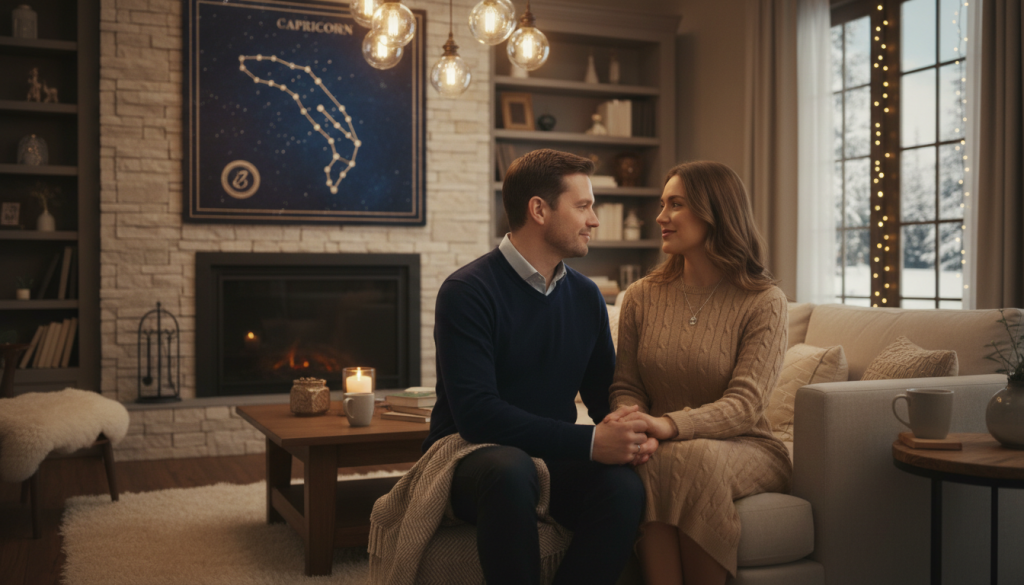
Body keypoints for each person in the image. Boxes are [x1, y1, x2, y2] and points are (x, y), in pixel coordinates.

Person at [423, 148, 649, 585]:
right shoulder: (467, 291)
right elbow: (477, 415)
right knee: (511, 468)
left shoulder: (586, 296)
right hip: (470, 458)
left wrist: (633, 430)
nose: (594, 220)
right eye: (583, 206)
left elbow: (606, 394)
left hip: (550, 457)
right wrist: (589, 442)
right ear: (539, 210)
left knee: (623, 488)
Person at [608, 161, 792, 585]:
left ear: (716, 213)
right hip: (662, 443)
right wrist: (634, 423)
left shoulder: (764, 301)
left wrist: (667, 425)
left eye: (676, 205)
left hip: (746, 446)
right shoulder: (640, 296)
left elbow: (745, 406)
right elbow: (627, 385)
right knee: (663, 458)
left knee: (691, 456)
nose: (661, 217)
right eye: (661, 204)